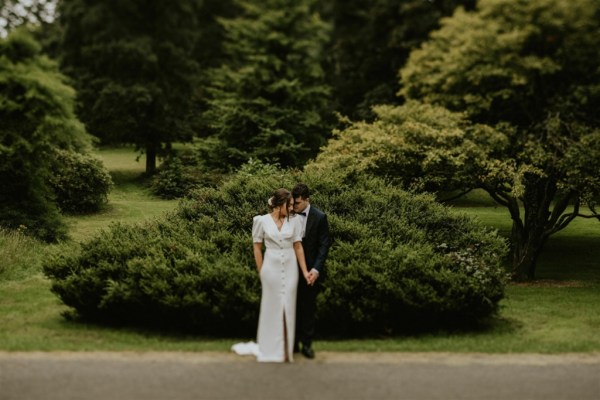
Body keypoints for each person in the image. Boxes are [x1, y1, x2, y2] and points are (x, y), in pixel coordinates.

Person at [246, 188, 310, 362]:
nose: (291, 208)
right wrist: (262, 271)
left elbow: (298, 246)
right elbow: (257, 247)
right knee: (271, 308)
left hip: (290, 268)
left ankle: (285, 351)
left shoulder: (295, 221)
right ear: (280, 204)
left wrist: (305, 272)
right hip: (271, 267)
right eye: (289, 205)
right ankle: (269, 350)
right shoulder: (261, 221)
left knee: (288, 307)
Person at [292, 183, 331, 359]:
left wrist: (315, 269)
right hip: (290, 269)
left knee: (308, 308)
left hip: (310, 272)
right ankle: (292, 344)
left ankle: (307, 345)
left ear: (307, 200)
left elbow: (324, 246)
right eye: (293, 203)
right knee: (291, 307)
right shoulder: (289, 214)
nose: (294, 207)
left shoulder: (320, 217)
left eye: (298, 203)